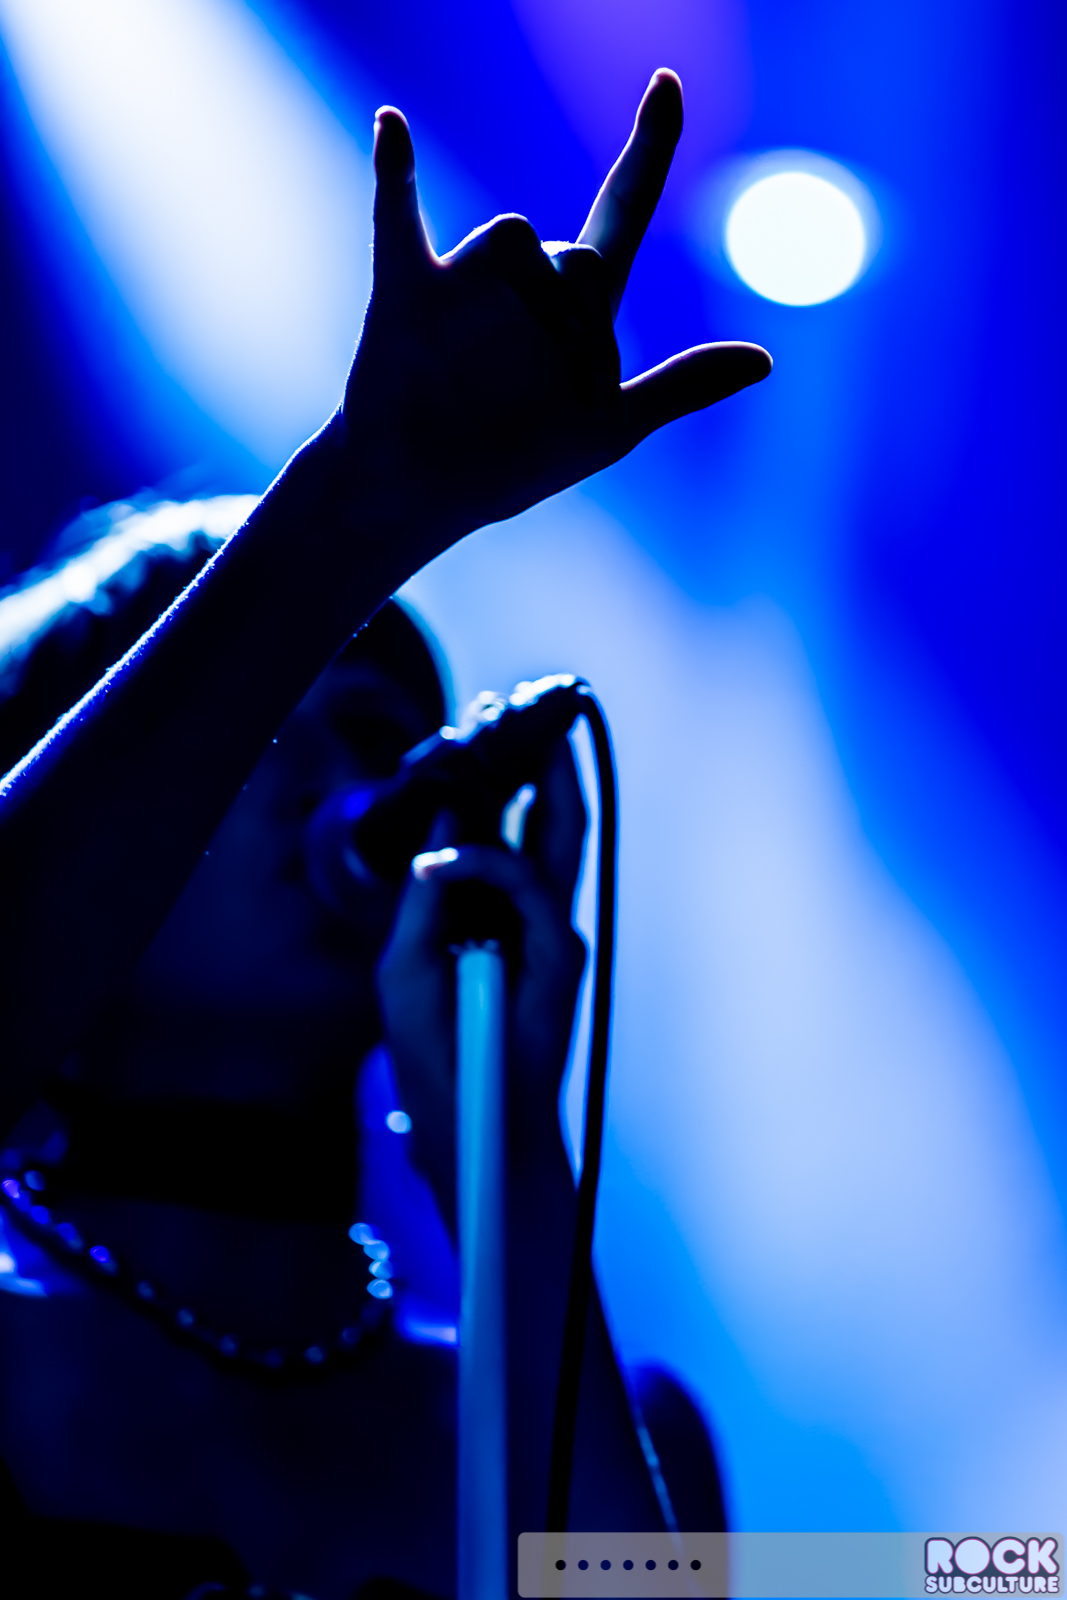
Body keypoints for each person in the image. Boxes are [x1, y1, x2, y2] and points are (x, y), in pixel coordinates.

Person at [0, 70, 770, 1600]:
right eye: (259, 729)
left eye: (379, 727)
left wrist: (505, 1139)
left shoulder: (604, 1416)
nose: (359, 778)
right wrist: (366, 498)